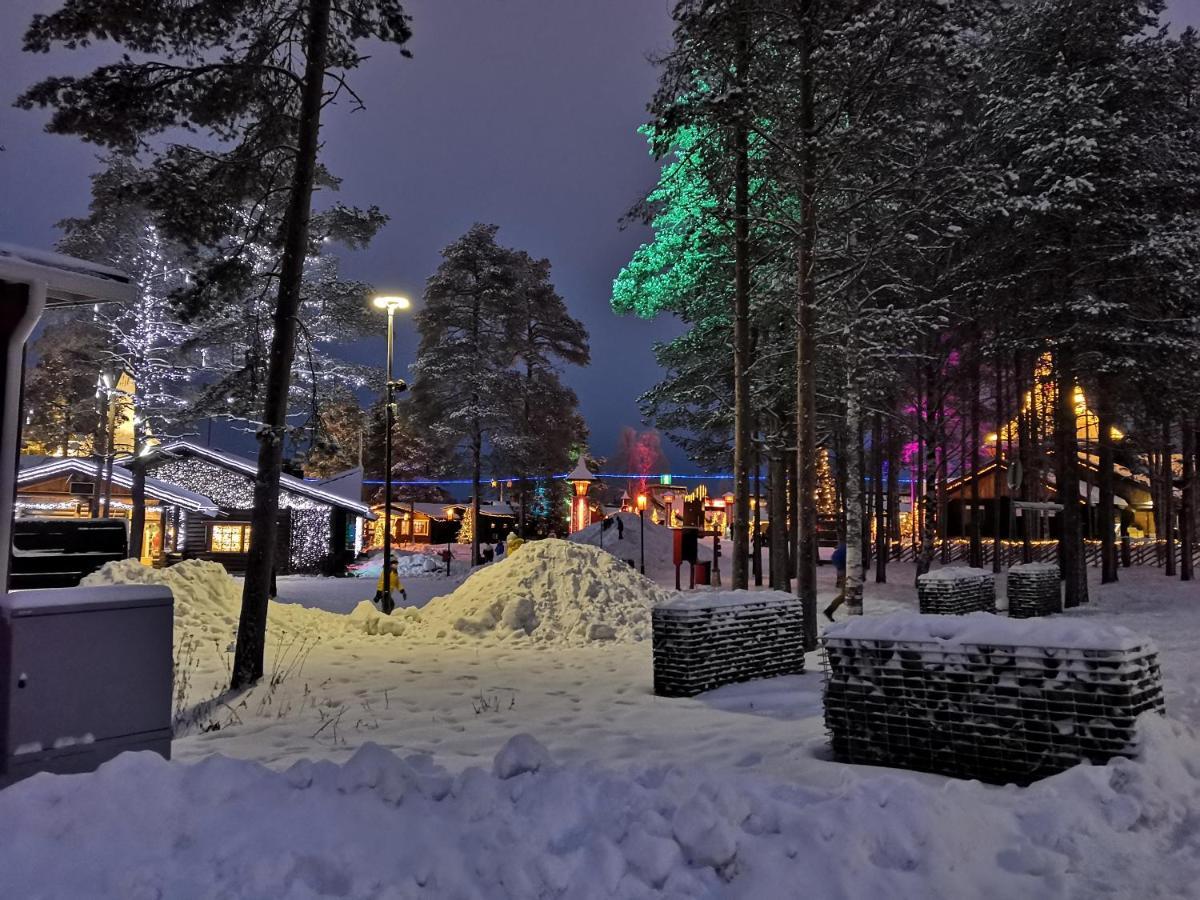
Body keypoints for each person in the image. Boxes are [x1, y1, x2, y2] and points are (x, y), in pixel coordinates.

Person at [823, 542, 847, 622]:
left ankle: (830, 610)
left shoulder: (844, 546)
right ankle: (829, 610)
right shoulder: (851, 548)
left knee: (847, 594)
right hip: (847, 572)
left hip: (842, 571)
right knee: (845, 594)